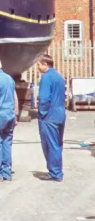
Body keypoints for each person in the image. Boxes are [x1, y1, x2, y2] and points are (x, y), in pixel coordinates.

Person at [36, 53, 66, 181]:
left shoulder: (46, 78)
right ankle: (57, 170)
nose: (37, 67)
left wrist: (42, 114)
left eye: (38, 65)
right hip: (60, 113)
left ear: (45, 64)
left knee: (50, 144)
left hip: (49, 116)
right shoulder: (59, 77)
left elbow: (44, 98)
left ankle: (55, 172)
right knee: (57, 144)